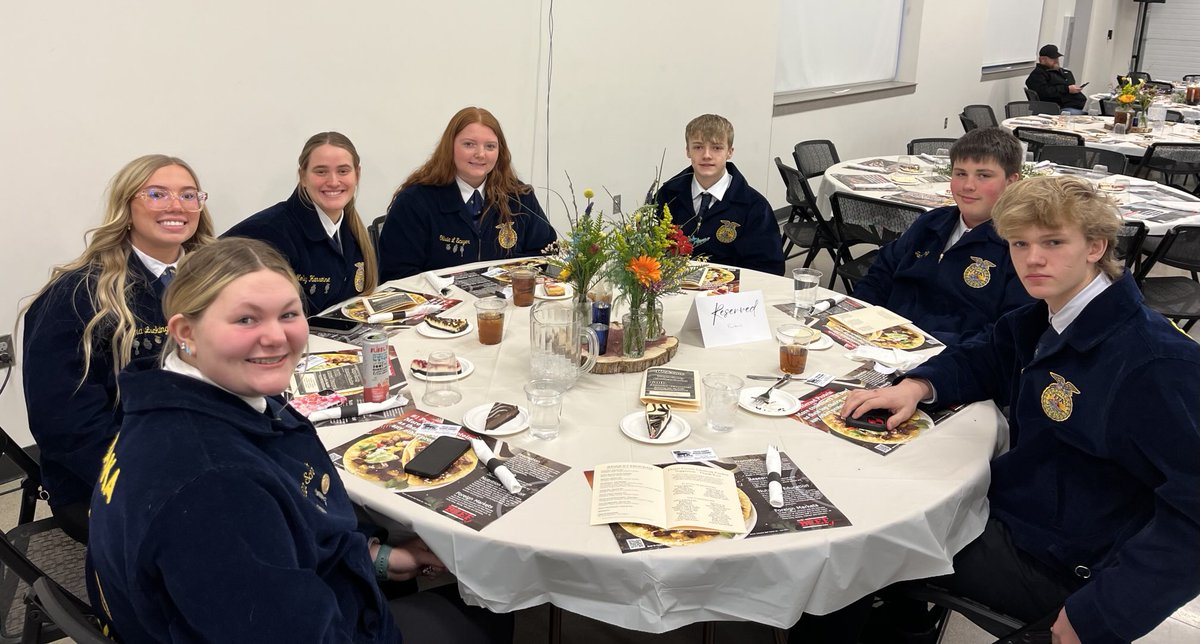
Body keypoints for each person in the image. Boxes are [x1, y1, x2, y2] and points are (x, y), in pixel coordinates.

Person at [87, 237, 511, 643]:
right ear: (186, 332)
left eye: (288, 315)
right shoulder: (215, 486)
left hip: (306, 594)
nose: (276, 337)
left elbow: (295, 530)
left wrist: (374, 558)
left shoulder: (182, 403)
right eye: (245, 319)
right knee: (494, 612)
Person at [837, 176, 1200, 643]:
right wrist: (917, 385)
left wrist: (1100, 615)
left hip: (1065, 564)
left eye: (1053, 242)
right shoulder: (1051, 313)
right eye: (1019, 243)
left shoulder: (1154, 361)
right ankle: (902, 623)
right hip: (1022, 509)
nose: (1033, 259)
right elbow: (988, 352)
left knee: (863, 542)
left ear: (1095, 246)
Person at [21, 154, 215, 542]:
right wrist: (158, 478)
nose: (177, 206)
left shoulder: (213, 277)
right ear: (127, 207)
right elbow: (66, 427)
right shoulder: (77, 295)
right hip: (112, 473)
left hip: (205, 447)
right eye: (157, 194)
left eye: (189, 195)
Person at [849, 127, 1034, 346]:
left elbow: (1006, 331)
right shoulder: (931, 223)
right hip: (882, 340)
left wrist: (922, 347)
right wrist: (860, 322)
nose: (968, 186)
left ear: (1011, 182)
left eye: (983, 175)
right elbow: (879, 275)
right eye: (960, 173)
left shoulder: (1019, 246)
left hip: (950, 358)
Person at [378, 107, 556, 280]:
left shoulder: (520, 197)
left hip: (508, 304)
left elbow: (546, 256)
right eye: (469, 144)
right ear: (450, 147)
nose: (480, 154)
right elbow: (397, 274)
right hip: (440, 307)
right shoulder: (414, 201)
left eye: (490, 146)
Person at [223, 131, 378, 314]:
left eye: (343, 171)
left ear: (357, 174)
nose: (334, 181)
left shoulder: (350, 232)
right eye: (321, 171)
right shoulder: (267, 233)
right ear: (303, 177)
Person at [655, 114, 785, 275]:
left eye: (716, 148)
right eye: (698, 147)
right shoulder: (668, 195)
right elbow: (651, 250)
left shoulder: (754, 206)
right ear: (688, 151)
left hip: (729, 294)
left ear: (729, 152)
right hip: (672, 289)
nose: (707, 155)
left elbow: (768, 269)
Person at [1026, 44, 1086, 114]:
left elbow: (1070, 82)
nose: (1056, 61)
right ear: (1042, 59)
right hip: (1056, 108)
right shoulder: (1038, 74)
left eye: (1057, 58)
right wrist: (1067, 89)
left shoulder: (1060, 71)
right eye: (1053, 59)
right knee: (1087, 116)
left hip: (1072, 105)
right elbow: (1045, 92)